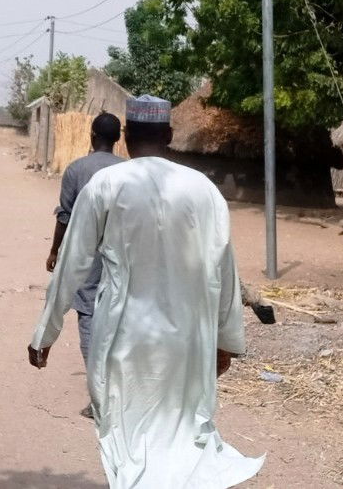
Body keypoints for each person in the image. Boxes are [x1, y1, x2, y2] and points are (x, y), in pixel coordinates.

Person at [29, 95, 263, 488]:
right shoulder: (203, 189)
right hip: (188, 339)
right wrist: (225, 342)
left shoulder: (106, 184)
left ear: (127, 136)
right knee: (182, 436)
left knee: (126, 437)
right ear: (170, 135)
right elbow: (225, 271)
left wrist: (45, 333)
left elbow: (72, 263)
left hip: (124, 336)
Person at [45, 112, 124, 416]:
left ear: (91, 136)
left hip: (88, 255)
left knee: (89, 317)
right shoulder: (130, 171)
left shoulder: (77, 169)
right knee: (119, 319)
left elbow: (64, 217)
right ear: (119, 139)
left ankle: (100, 399)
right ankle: (118, 394)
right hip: (121, 254)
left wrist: (54, 251)